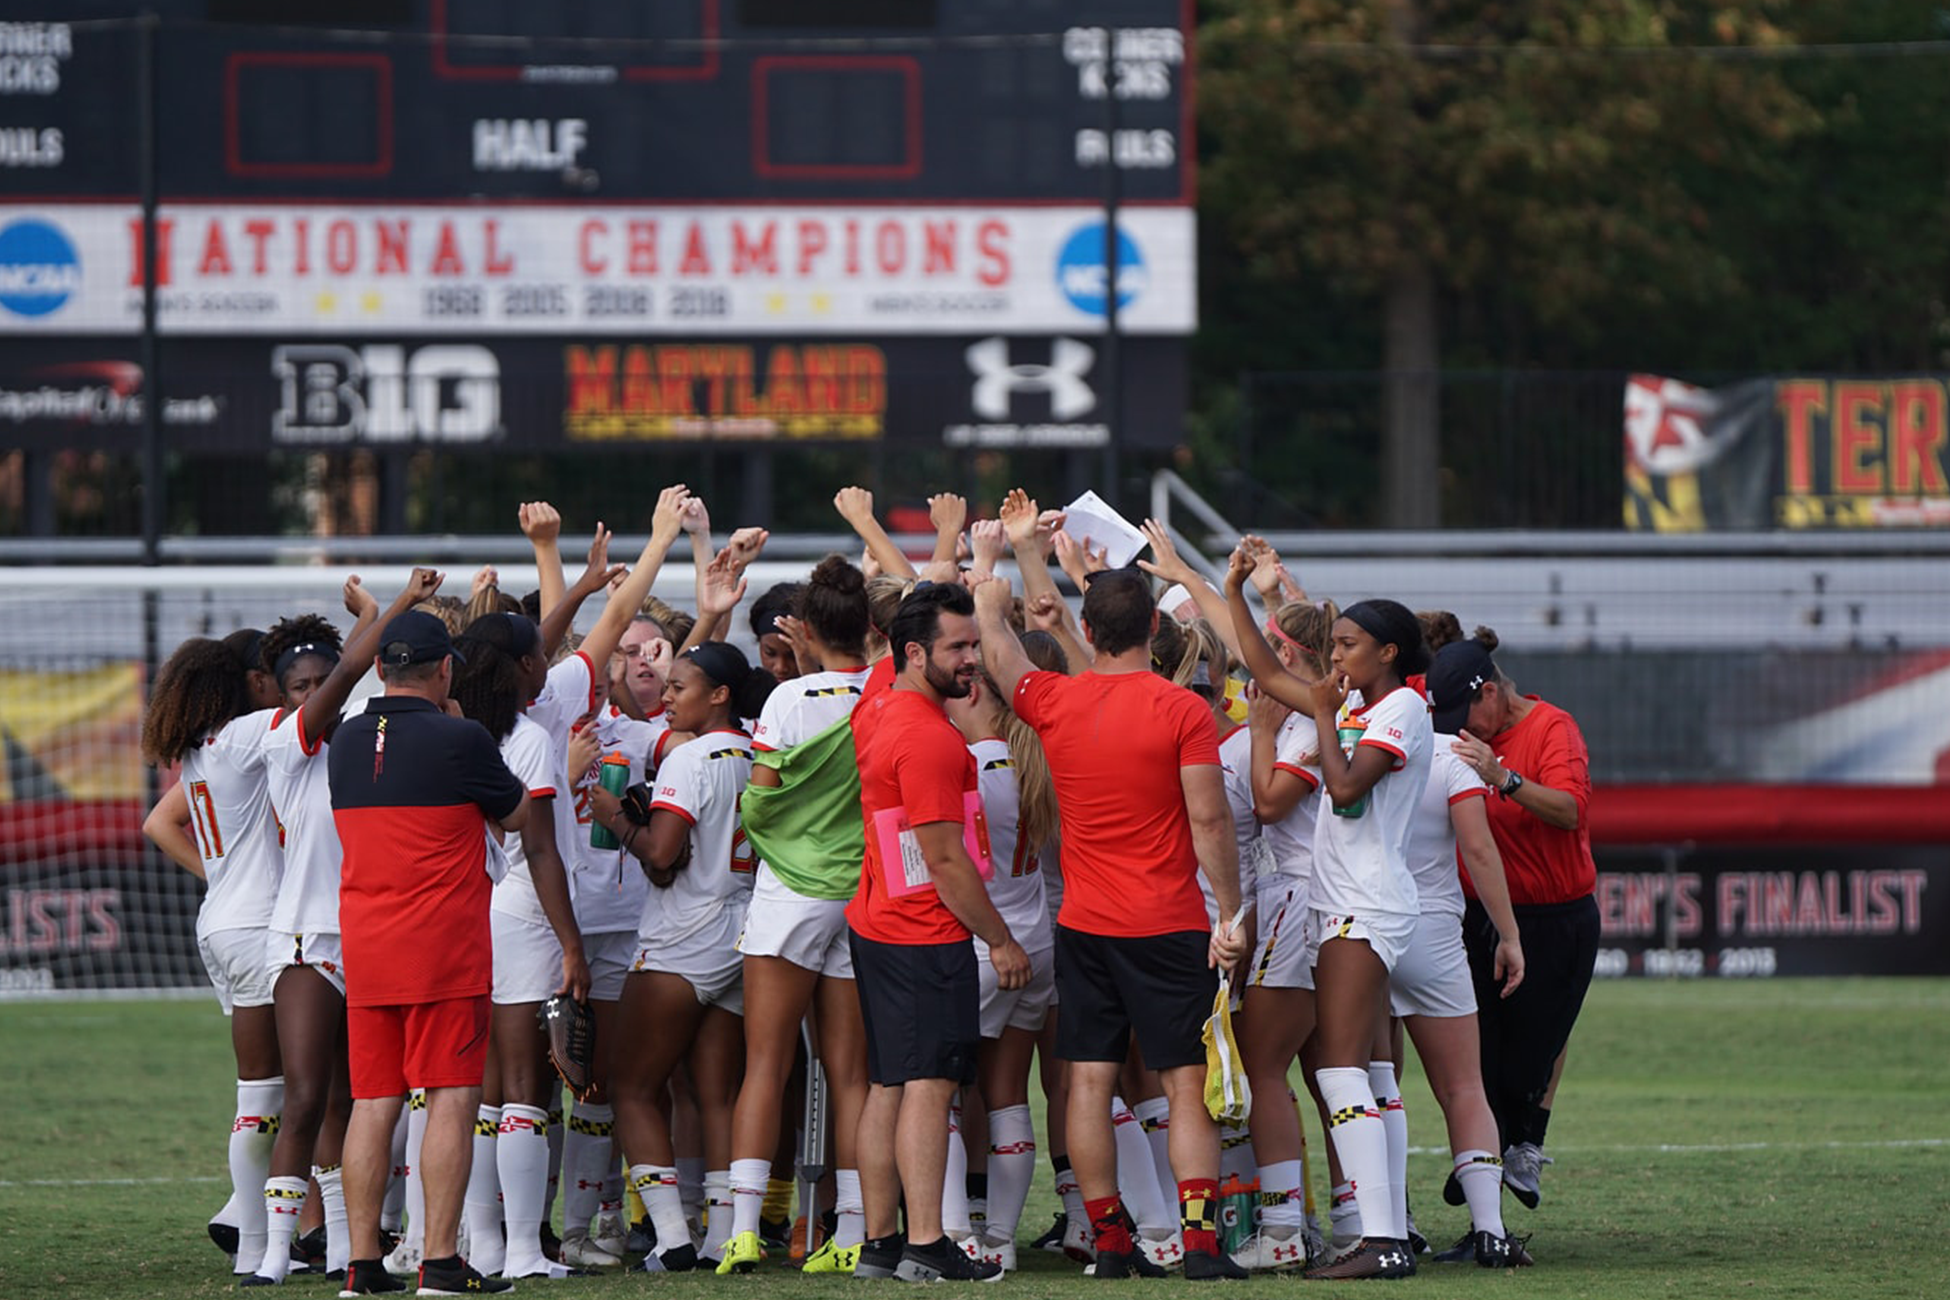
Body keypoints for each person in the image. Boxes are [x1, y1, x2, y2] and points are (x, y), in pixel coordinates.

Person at [973, 566, 1251, 1282]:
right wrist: (1230, 909)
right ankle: (1197, 1243)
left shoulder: (1053, 699)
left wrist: (984, 574)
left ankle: (1110, 1242)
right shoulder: (1182, 710)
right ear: (1154, 629)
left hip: (1085, 924)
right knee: (1185, 1083)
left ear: (1087, 631)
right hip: (1167, 922)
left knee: (1089, 1085)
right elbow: (1210, 818)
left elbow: (1000, 649)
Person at [1224, 562, 1432, 1281]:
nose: (1336, 657)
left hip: (1363, 903)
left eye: (1349, 645)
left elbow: (1344, 786)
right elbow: (1259, 666)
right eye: (1334, 645)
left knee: (1342, 1072)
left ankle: (1381, 1240)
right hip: (1344, 900)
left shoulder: (1399, 709)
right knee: (1363, 1072)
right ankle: (1382, 1231)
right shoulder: (1354, 707)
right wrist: (1232, 593)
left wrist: (1318, 711)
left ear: (1388, 653)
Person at [327, 610, 531, 1297]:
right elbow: (517, 813)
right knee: (449, 1096)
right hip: (443, 945)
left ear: (381, 668)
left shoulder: (345, 741)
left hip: (367, 941)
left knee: (373, 1100)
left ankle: (361, 1264)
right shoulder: (462, 736)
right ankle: (440, 1261)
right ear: (445, 670)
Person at [247, 570, 440, 1285]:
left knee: (350, 1098)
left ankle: (336, 1245)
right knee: (302, 1095)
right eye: (300, 686)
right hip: (305, 939)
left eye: (319, 682)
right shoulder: (285, 747)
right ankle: (270, 1252)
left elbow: (368, 677)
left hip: (368, 935)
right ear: (282, 695)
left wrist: (376, 617)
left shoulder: (367, 742)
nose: (313, 693)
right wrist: (394, 608)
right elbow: (359, 666)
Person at [845, 582, 1031, 1283]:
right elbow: (947, 861)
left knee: (888, 1082)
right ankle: (926, 1243)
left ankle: (881, 1244)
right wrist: (1001, 940)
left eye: (975, 645)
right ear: (916, 651)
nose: (973, 660)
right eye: (958, 647)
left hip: (878, 920)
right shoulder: (927, 736)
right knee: (928, 1084)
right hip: (922, 931)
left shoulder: (880, 705)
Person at [720, 556, 880, 1275]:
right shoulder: (883, 694)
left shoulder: (785, 700)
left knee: (766, 1065)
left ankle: (744, 1232)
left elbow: (759, 799)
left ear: (806, 630)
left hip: (789, 895)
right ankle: (850, 1234)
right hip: (862, 893)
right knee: (852, 1074)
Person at [599, 642, 774, 1274]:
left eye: (681, 687)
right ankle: (725, 1236)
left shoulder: (691, 756)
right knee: (713, 1091)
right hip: (740, 929)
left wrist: (616, 818)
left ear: (719, 694)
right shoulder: (756, 748)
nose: (667, 697)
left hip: (683, 936)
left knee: (632, 1087)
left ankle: (672, 1238)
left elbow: (663, 850)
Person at [1426, 630, 1600, 1211]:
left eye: (1464, 715)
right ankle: (1492, 1164)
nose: (1460, 729)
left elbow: (1570, 810)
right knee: (1478, 1059)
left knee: (1529, 1056)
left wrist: (1502, 777)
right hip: (1478, 919)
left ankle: (1512, 1147)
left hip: (1554, 920)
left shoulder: (1552, 728)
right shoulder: (1459, 733)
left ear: (1492, 693)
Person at [140, 629, 284, 1280]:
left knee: (267, 1090)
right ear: (252, 680)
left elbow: (156, 823)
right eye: (281, 673)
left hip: (226, 923)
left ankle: (247, 1222)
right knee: (300, 1086)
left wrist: (222, 876)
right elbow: (329, 704)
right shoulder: (247, 740)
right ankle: (287, 1237)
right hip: (258, 928)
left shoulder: (207, 749)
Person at [942, 662, 1060, 1273]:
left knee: (942, 1095)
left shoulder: (970, 767)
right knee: (1008, 1095)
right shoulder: (1034, 758)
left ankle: (959, 1234)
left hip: (984, 946)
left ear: (971, 689)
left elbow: (948, 863)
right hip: (1037, 941)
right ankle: (1001, 1240)